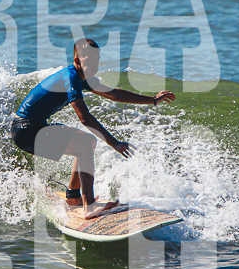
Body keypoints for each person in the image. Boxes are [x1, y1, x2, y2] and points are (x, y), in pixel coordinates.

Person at [11, 38, 176, 219]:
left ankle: (73, 197)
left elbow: (114, 94)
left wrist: (153, 100)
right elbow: (84, 117)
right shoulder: (71, 77)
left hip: (32, 128)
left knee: (88, 141)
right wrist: (113, 142)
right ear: (77, 61)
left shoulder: (83, 79)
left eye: (97, 59)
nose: (95, 64)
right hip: (27, 130)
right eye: (90, 60)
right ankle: (89, 205)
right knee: (83, 146)